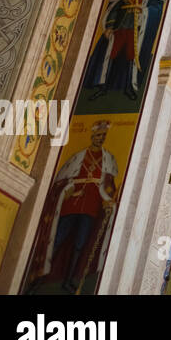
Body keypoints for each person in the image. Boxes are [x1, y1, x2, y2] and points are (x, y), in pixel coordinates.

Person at [35, 121, 119, 293]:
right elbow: (62, 179)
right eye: (98, 135)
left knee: (80, 245)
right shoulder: (79, 156)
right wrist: (67, 188)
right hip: (71, 206)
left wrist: (108, 200)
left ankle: (69, 280)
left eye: (103, 136)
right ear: (92, 136)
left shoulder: (108, 159)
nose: (100, 138)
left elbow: (108, 186)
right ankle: (42, 277)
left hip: (90, 208)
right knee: (57, 240)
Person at [85, 0, 163, 101]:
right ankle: (103, 87)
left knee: (131, 56)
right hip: (121, 26)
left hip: (136, 27)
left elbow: (157, 9)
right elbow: (115, 6)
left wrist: (144, 10)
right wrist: (109, 26)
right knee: (111, 55)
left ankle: (129, 87)